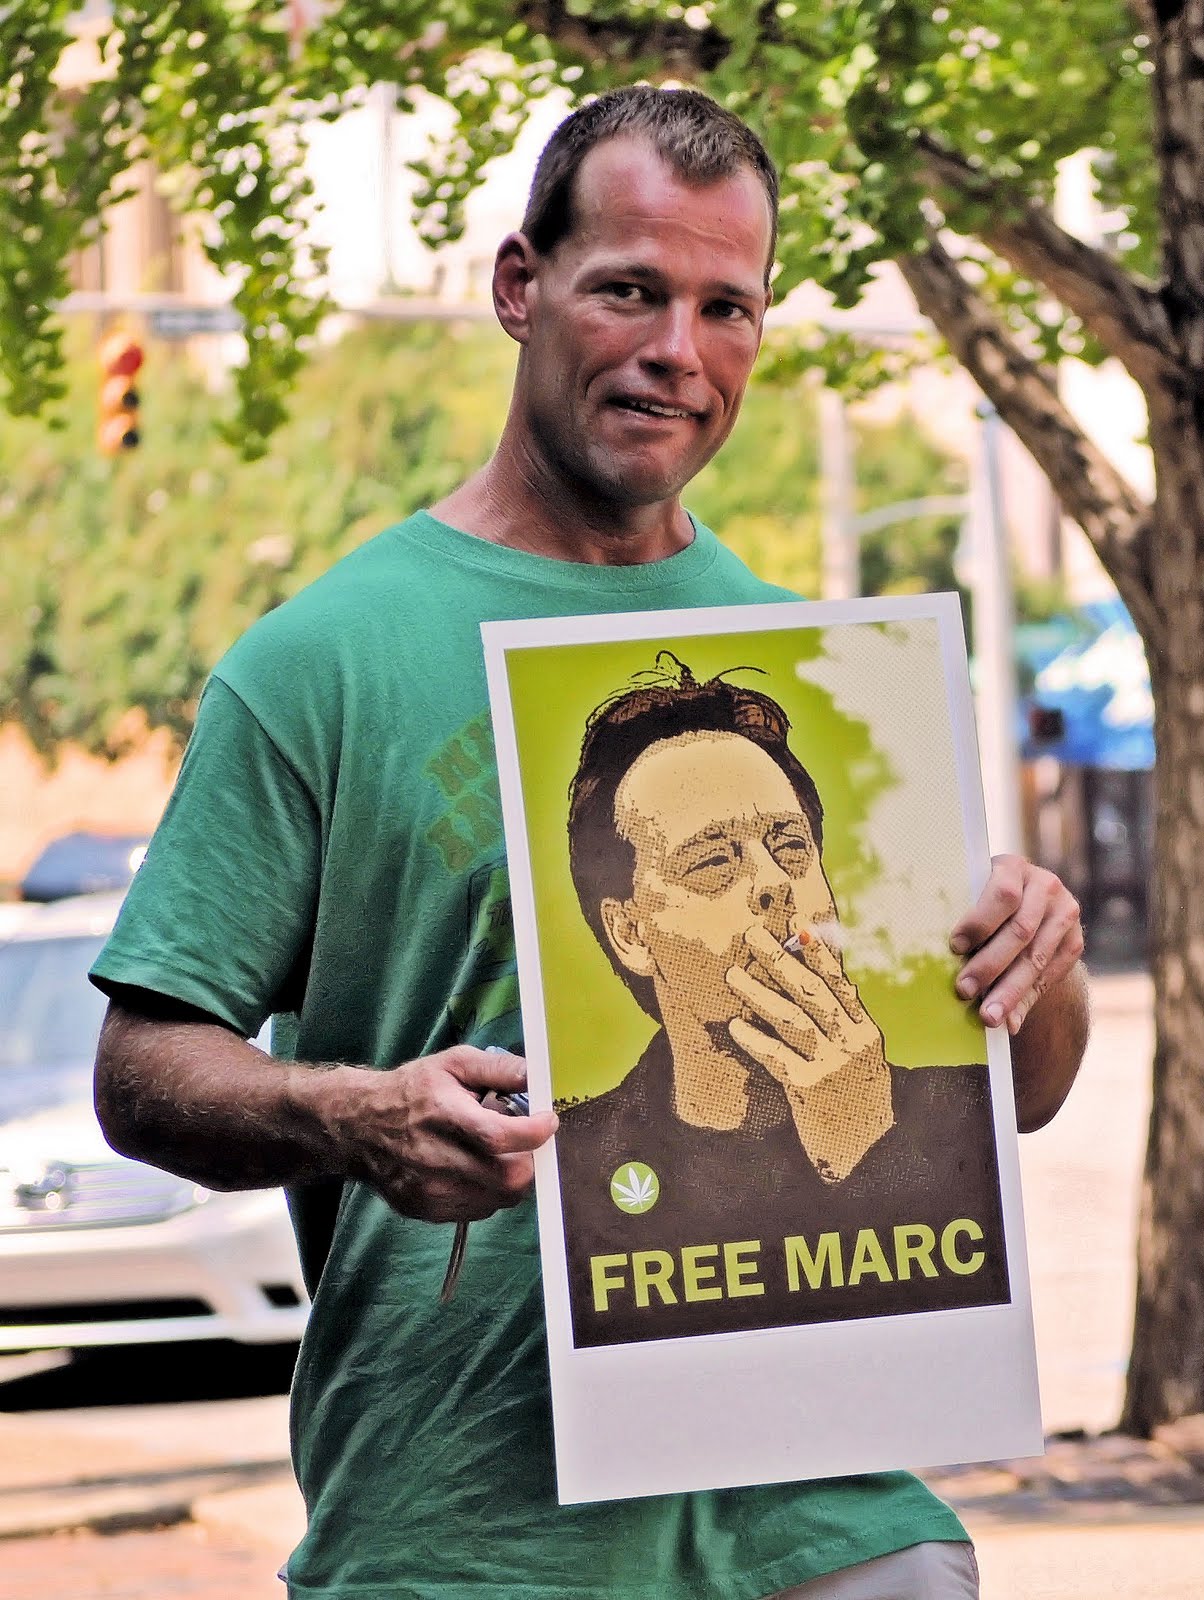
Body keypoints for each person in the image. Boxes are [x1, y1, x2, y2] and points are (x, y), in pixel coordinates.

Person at [91, 85, 1087, 1600]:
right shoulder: (320, 664)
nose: (678, 349)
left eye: (724, 307)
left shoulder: (827, 665)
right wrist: (354, 1112)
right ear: (519, 286)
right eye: (628, 289)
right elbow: (141, 1068)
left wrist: (1041, 959)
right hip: (466, 1538)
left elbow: (1021, 1092)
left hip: (826, 1524)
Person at [555, 660, 1011, 1348]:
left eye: (791, 847)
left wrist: (867, 1147)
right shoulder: (569, 1164)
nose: (774, 884)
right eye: (713, 863)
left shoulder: (967, 1110)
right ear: (631, 934)